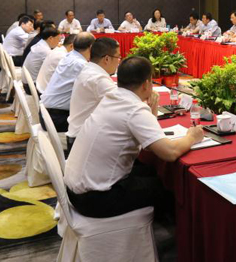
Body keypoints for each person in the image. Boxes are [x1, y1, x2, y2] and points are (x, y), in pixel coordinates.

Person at [64, 56, 204, 218]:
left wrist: (152, 109)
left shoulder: (113, 97)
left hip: (75, 189)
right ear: (146, 84)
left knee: (149, 171)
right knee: (164, 188)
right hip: (94, 199)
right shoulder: (134, 109)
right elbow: (170, 152)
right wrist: (192, 136)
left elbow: (148, 145)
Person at [66, 37, 120, 152]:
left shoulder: (90, 69)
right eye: (118, 57)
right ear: (107, 59)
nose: (119, 61)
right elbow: (125, 105)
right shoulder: (98, 78)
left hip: (79, 137)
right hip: (83, 144)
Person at [40, 32, 95, 132]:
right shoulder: (81, 64)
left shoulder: (69, 56)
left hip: (46, 114)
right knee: (98, 123)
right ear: (91, 47)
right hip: (56, 118)